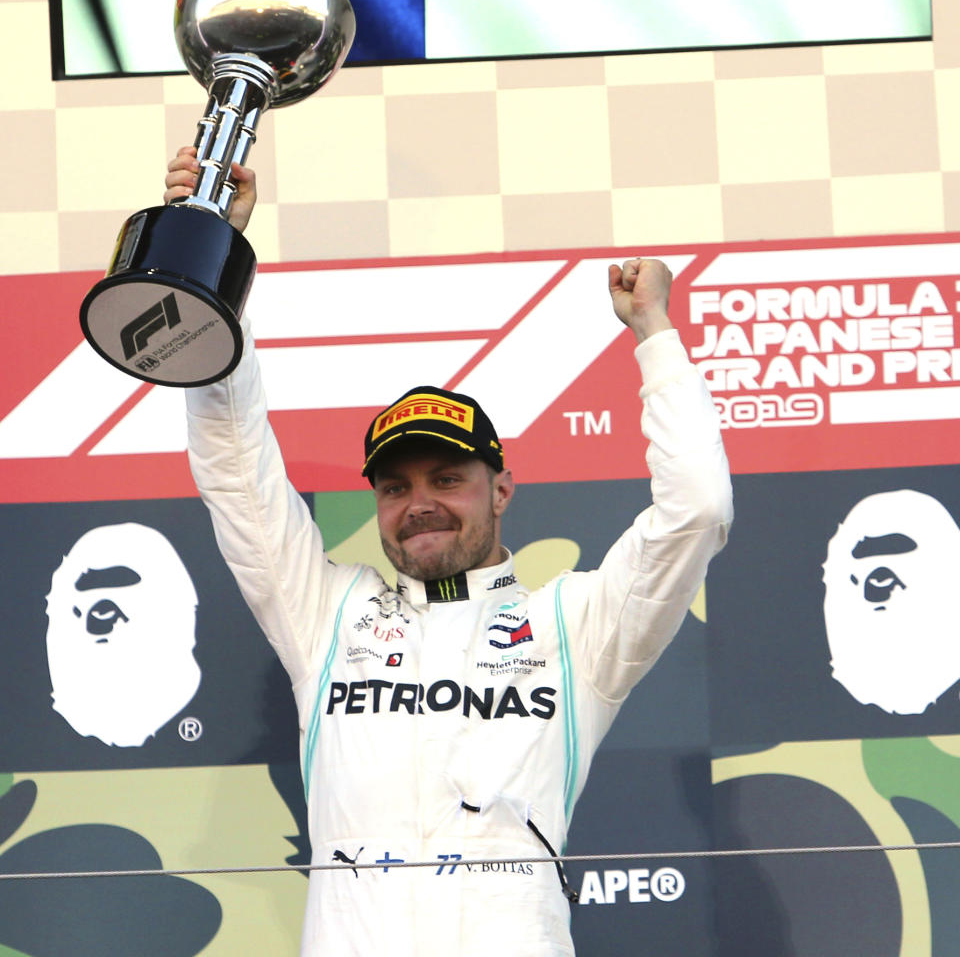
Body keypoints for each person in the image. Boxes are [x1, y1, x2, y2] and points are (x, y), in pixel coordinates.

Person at [165, 147, 732, 957]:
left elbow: (698, 508)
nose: (418, 502)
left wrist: (654, 334)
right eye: (394, 487)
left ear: (501, 490)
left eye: (447, 477)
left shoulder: (574, 627)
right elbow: (233, 464)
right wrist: (214, 259)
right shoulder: (326, 613)